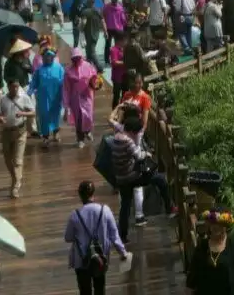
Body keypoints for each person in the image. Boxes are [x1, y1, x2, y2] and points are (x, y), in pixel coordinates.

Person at [110, 105, 174, 242]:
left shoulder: (116, 137)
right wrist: (148, 153)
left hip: (120, 178)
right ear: (132, 131)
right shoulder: (127, 141)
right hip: (132, 176)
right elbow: (139, 156)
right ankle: (169, 209)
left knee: (125, 206)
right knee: (160, 180)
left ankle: (123, 235)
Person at [64, 178, 128, 294]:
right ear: (93, 193)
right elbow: (114, 235)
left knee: (84, 291)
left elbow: (68, 238)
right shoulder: (105, 210)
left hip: (81, 260)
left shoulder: (75, 215)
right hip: (100, 258)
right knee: (100, 289)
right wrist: (123, 253)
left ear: (80, 195)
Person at [186, 209, 234, 295]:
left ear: (226, 225)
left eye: (220, 224)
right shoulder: (202, 246)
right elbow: (192, 276)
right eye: (213, 223)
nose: (215, 226)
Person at [0, 78, 34, 198]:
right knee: (8, 159)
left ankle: (16, 185)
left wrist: (23, 114)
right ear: (8, 87)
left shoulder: (24, 97)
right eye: (13, 87)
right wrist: (0, 118)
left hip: (20, 131)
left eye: (17, 87)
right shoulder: (3, 99)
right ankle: (15, 177)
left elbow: (33, 112)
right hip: (6, 132)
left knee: (17, 160)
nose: (15, 89)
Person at [63, 48, 100, 149]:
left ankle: (87, 131)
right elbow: (66, 88)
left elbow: (95, 78)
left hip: (87, 95)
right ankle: (80, 139)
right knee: (78, 118)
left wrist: (93, 83)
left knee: (88, 116)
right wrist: (66, 103)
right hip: (75, 97)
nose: (76, 60)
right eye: (74, 58)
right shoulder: (68, 71)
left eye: (78, 58)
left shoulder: (88, 66)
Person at [29, 46, 66, 145]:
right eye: (46, 56)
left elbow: (65, 82)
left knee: (55, 115)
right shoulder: (39, 69)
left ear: (53, 57)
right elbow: (34, 82)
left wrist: (65, 94)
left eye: (50, 56)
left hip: (55, 96)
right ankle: (45, 136)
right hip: (43, 98)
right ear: (43, 57)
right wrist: (30, 92)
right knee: (44, 116)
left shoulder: (59, 68)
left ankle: (56, 132)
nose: (48, 58)